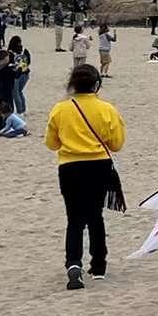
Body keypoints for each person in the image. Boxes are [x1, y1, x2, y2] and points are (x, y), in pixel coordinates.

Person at [42, 63, 125, 288]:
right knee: (96, 216)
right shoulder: (107, 109)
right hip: (99, 165)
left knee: (74, 218)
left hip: (70, 167)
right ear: (97, 85)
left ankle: (73, 262)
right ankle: (98, 265)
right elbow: (117, 144)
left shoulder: (60, 109)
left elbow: (51, 143)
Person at [0, 49, 18, 134]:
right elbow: (16, 75)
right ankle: (8, 126)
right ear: (6, 58)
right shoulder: (8, 68)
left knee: (0, 108)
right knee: (9, 109)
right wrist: (19, 68)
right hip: (7, 90)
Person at [7, 36, 31, 116]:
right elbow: (29, 61)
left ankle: (20, 111)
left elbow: (8, 64)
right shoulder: (25, 50)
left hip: (15, 74)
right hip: (25, 73)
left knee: (15, 93)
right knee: (20, 92)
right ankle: (23, 109)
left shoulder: (10, 52)